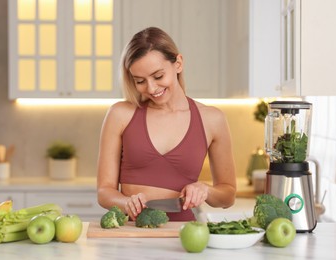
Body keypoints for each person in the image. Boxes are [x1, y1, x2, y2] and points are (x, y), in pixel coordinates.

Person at [97, 27, 236, 221]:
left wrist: (205, 190)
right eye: (140, 81)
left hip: (183, 235)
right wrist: (126, 203)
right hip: (130, 233)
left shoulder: (212, 119)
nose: (151, 88)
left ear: (178, 64)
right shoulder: (121, 114)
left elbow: (228, 196)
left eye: (158, 76)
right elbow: (104, 192)